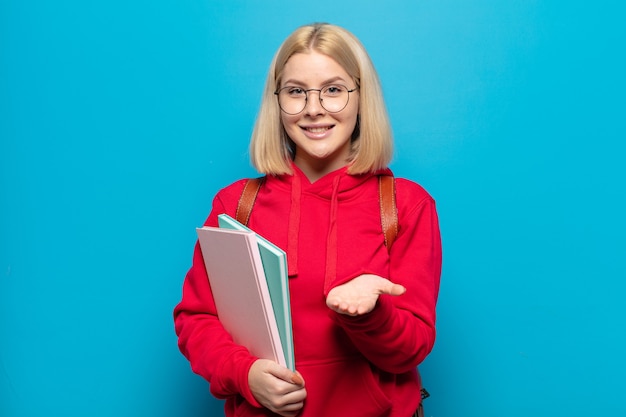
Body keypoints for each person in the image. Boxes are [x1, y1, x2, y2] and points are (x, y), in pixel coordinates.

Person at [174, 23, 442, 417]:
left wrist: (369, 315)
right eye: (296, 92)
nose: (314, 108)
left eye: (333, 90)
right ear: (277, 101)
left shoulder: (406, 205)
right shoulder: (235, 206)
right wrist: (246, 375)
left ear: (361, 98)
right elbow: (196, 320)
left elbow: (412, 348)